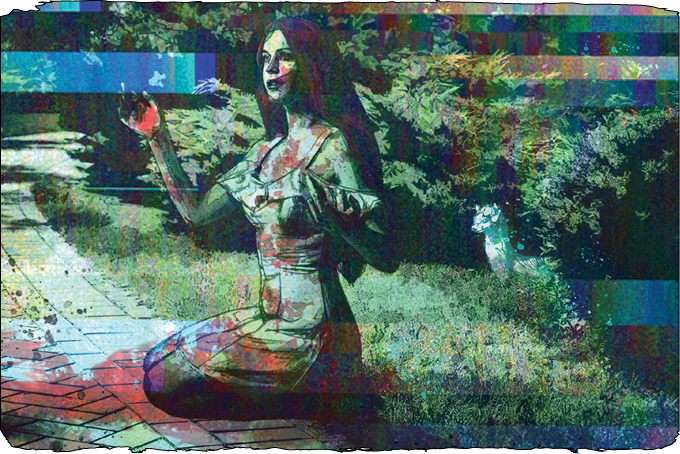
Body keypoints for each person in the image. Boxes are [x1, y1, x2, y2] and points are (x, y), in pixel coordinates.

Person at [121, 18, 398, 420]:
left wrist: (331, 214)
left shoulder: (332, 146)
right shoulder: (264, 153)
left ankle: (319, 392)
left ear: (310, 64)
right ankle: (290, 397)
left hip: (316, 336)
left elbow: (385, 255)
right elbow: (197, 214)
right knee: (157, 361)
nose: (271, 68)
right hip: (266, 321)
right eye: (265, 58)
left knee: (167, 379)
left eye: (284, 57)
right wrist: (157, 137)